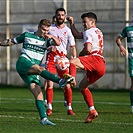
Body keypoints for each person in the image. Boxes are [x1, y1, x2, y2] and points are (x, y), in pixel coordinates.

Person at [0, 19, 75, 125]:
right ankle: (61, 81)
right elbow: (11, 41)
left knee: (38, 93)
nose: (45, 32)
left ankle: (43, 119)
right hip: (24, 62)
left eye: (47, 30)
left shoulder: (46, 40)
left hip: (32, 69)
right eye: (44, 30)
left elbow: (58, 43)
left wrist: (52, 37)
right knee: (40, 69)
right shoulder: (27, 35)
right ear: (39, 27)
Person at [67, 12, 106, 123]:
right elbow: (78, 35)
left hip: (95, 59)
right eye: (83, 22)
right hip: (101, 65)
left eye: (85, 22)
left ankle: (72, 78)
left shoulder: (89, 31)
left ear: (92, 22)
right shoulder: (98, 31)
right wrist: (72, 24)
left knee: (72, 62)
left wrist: (81, 54)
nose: (83, 24)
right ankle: (92, 110)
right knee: (83, 86)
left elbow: (88, 49)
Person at [44, 8, 77, 116]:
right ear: (56, 16)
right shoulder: (50, 29)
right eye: (59, 15)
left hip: (63, 60)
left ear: (65, 16)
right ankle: (49, 107)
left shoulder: (68, 30)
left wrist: (74, 57)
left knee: (67, 85)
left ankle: (69, 108)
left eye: (62, 15)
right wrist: (48, 48)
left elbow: (72, 46)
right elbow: (43, 42)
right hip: (51, 59)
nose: (60, 17)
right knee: (49, 83)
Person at [116, 24, 133, 114]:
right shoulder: (128, 29)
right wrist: (121, 46)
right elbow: (118, 39)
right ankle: (132, 106)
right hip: (132, 59)